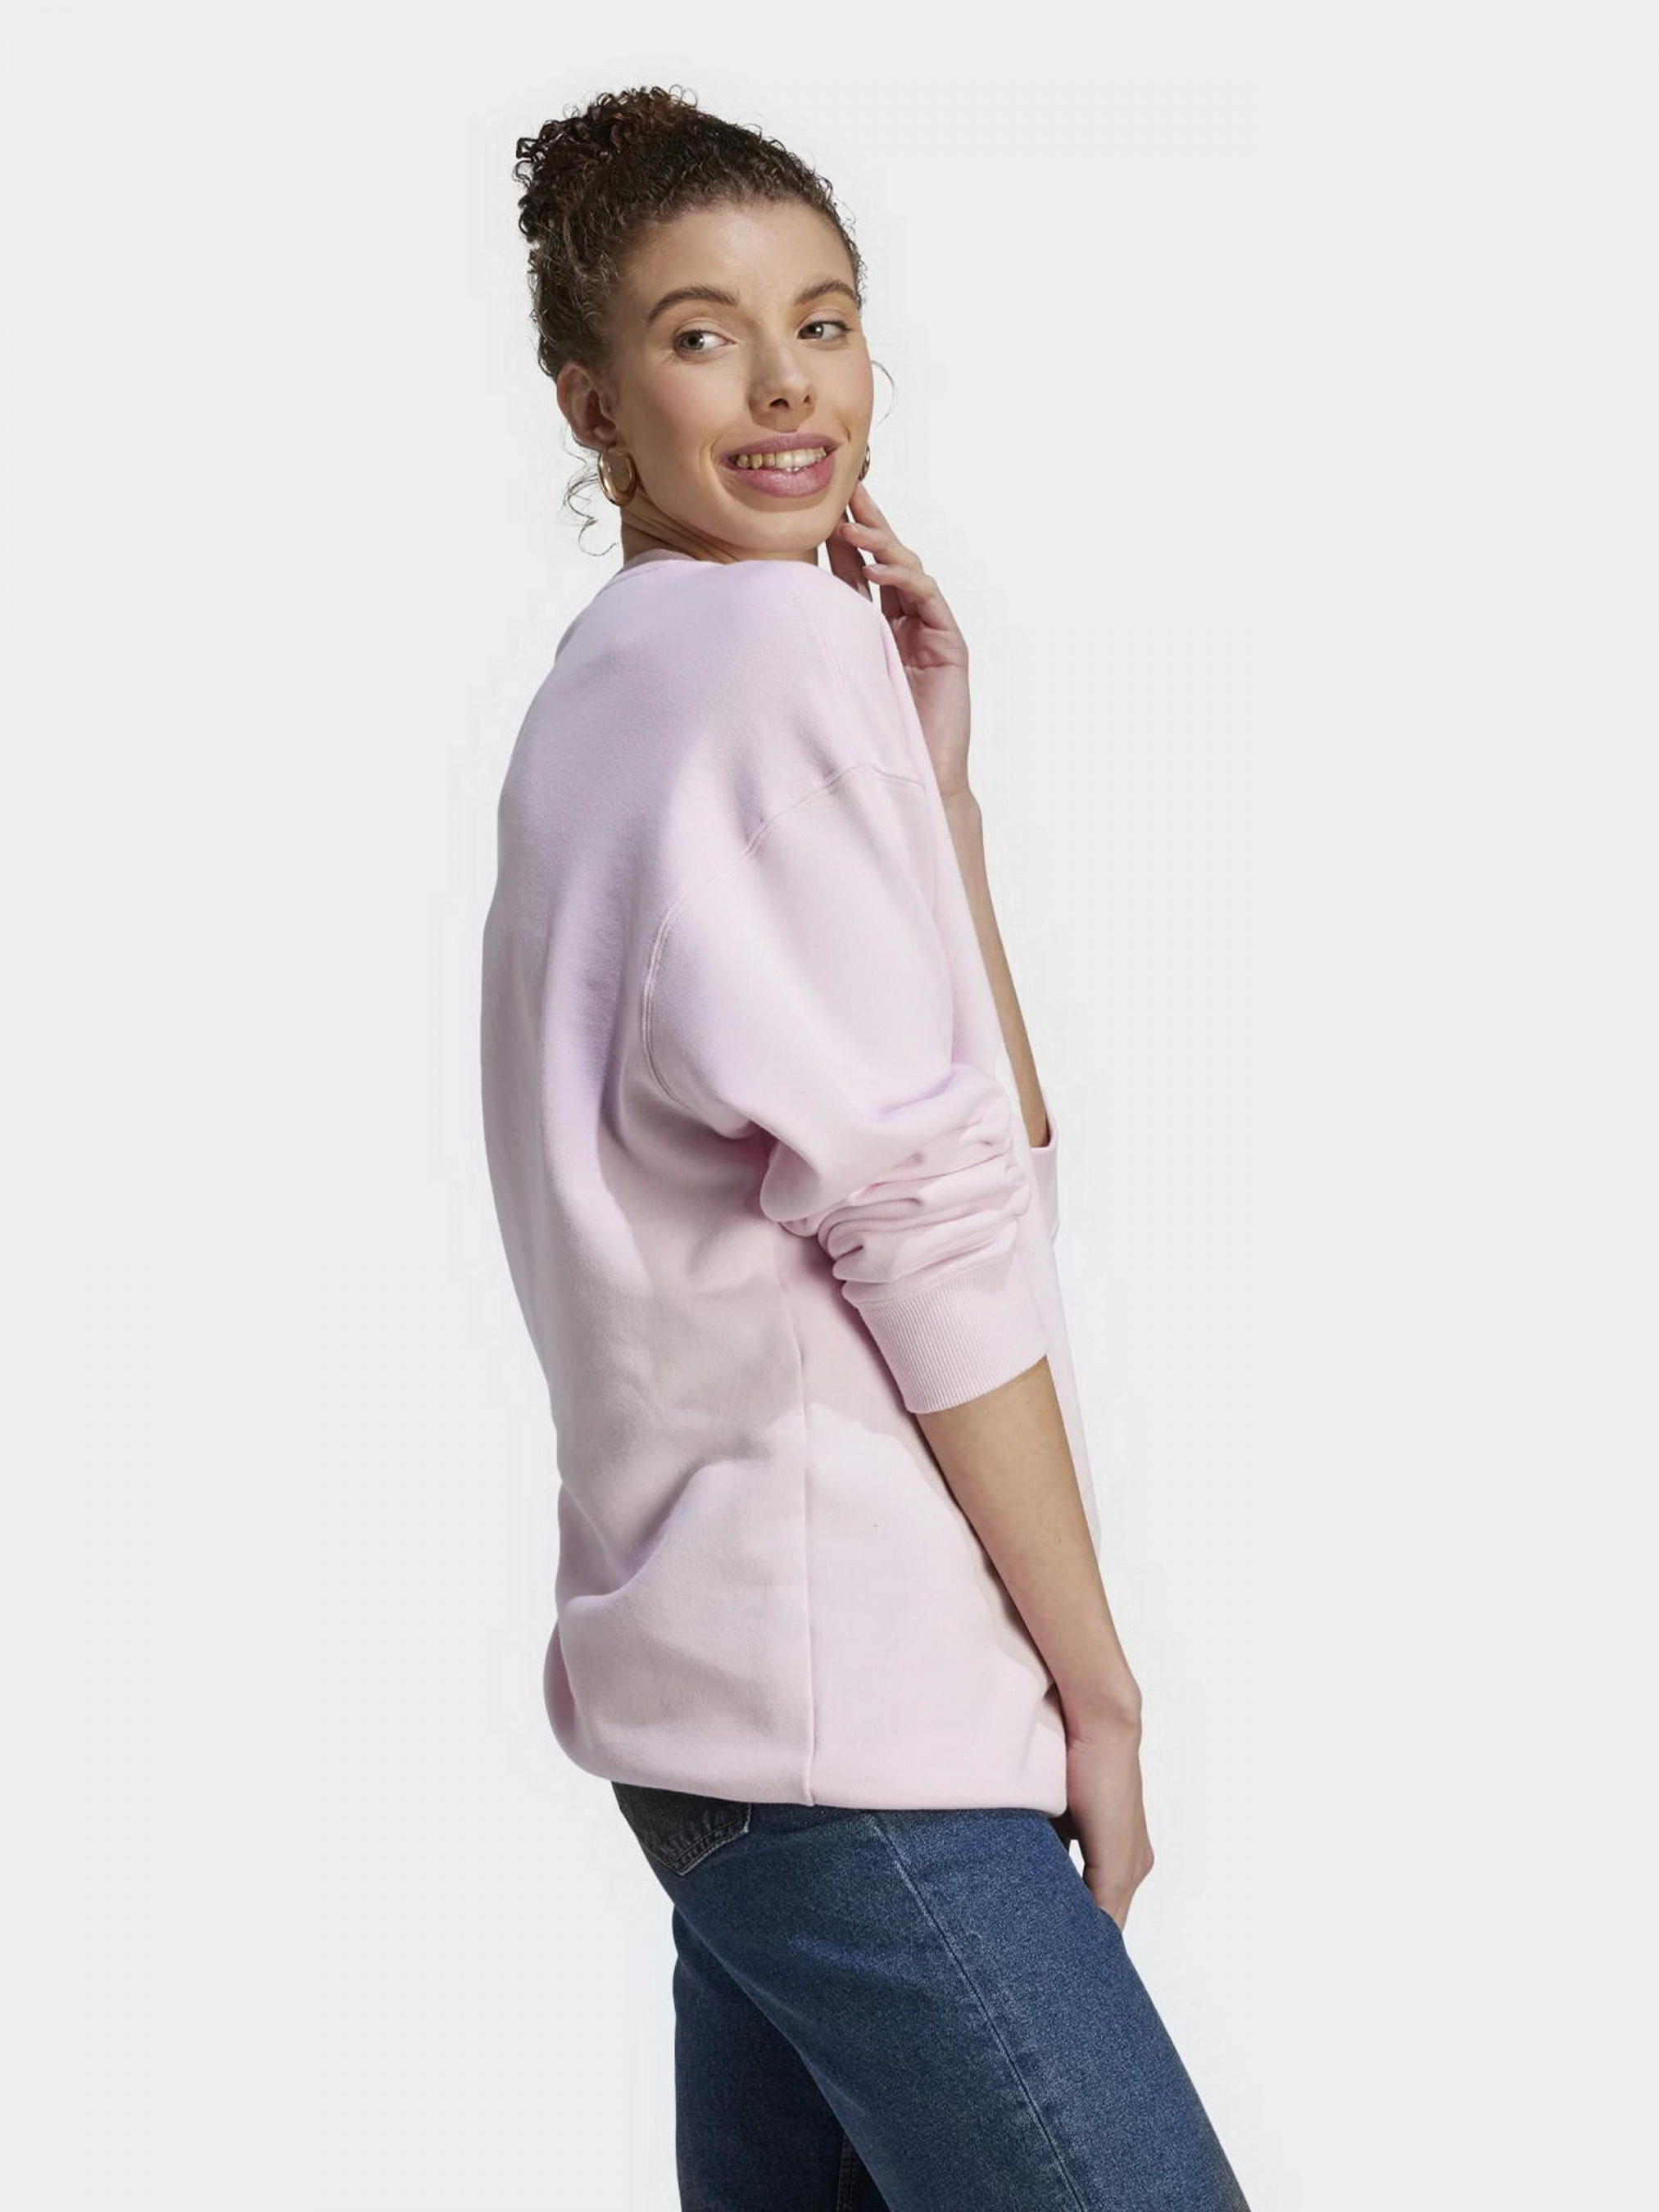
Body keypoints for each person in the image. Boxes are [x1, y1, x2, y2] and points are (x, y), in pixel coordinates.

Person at [481, 82, 1252, 2212]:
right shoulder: (766, 645)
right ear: (592, 401)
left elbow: (972, 1133)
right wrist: (1096, 1690)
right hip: (867, 1725)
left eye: (822, 321)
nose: (784, 383)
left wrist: (941, 799)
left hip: (718, 1730)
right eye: (701, 333)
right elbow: (931, 1221)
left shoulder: (609, 686)